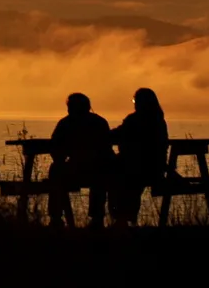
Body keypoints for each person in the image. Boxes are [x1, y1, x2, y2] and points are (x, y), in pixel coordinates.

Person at [47, 92, 113, 227]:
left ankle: (56, 218)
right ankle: (96, 219)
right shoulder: (99, 122)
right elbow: (107, 148)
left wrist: (61, 160)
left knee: (55, 171)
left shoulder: (65, 123)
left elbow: (55, 148)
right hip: (97, 170)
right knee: (101, 176)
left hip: (77, 170)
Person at [109, 87, 170, 226]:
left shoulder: (134, 120)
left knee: (114, 176)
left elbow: (118, 134)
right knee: (128, 181)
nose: (134, 103)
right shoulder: (159, 120)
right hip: (155, 169)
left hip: (136, 168)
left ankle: (120, 218)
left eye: (135, 100)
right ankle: (126, 218)